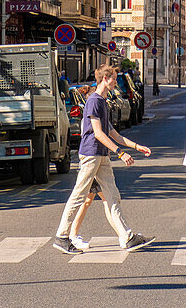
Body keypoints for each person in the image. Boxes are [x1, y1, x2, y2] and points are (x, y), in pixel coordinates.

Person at [53, 64, 153, 254]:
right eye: (114, 78)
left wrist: (135, 146)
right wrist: (120, 153)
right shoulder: (94, 101)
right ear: (105, 79)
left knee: (112, 197)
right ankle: (62, 236)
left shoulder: (103, 101)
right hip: (91, 154)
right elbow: (98, 133)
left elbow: (112, 132)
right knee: (79, 195)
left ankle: (127, 237)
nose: (116, 81)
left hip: (102, 155)